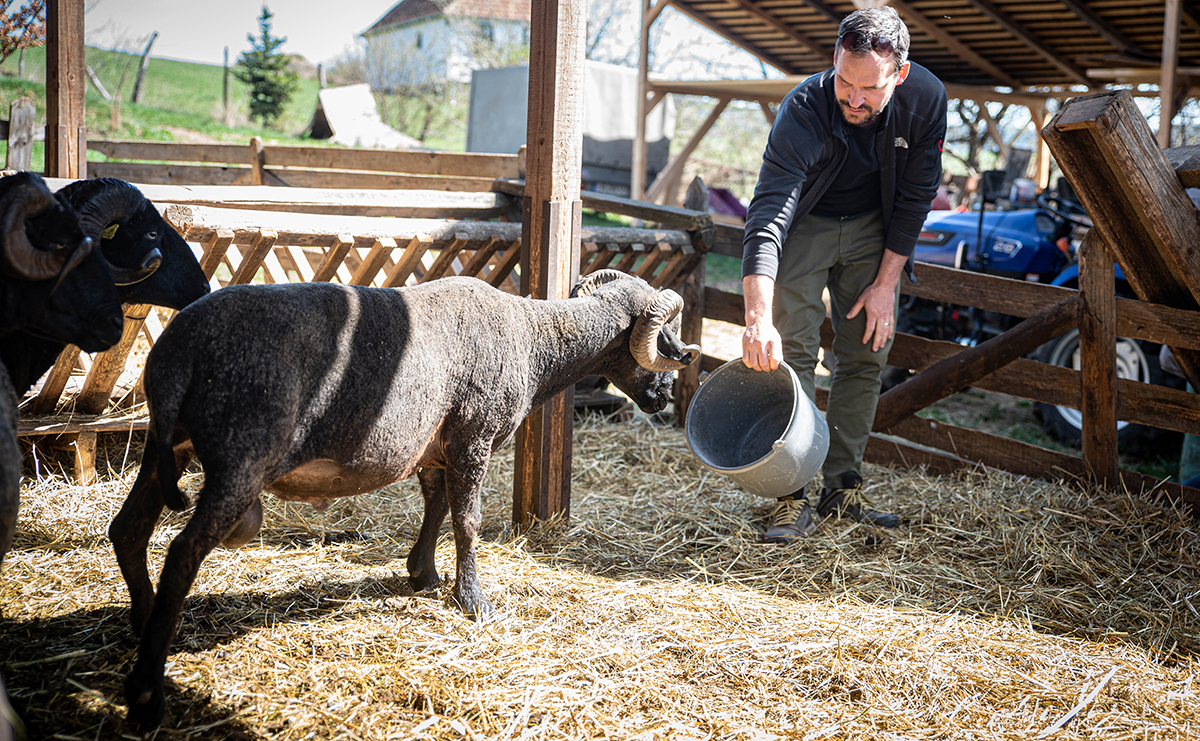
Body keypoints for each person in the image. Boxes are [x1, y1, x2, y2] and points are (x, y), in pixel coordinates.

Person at [740, 6, 948, 543]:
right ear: (834, 60)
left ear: (899, 75)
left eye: (870, 89)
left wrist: (885, 286)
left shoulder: (927, 100)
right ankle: (792, 494)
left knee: (864, 354)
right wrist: (758, 319)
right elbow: (768, 215)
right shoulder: (805, 107)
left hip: (874, 228)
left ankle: (844, 487)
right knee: (791, 353)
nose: (854, 99)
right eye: (845, 82)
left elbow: (917, 197)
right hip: (806, 224)